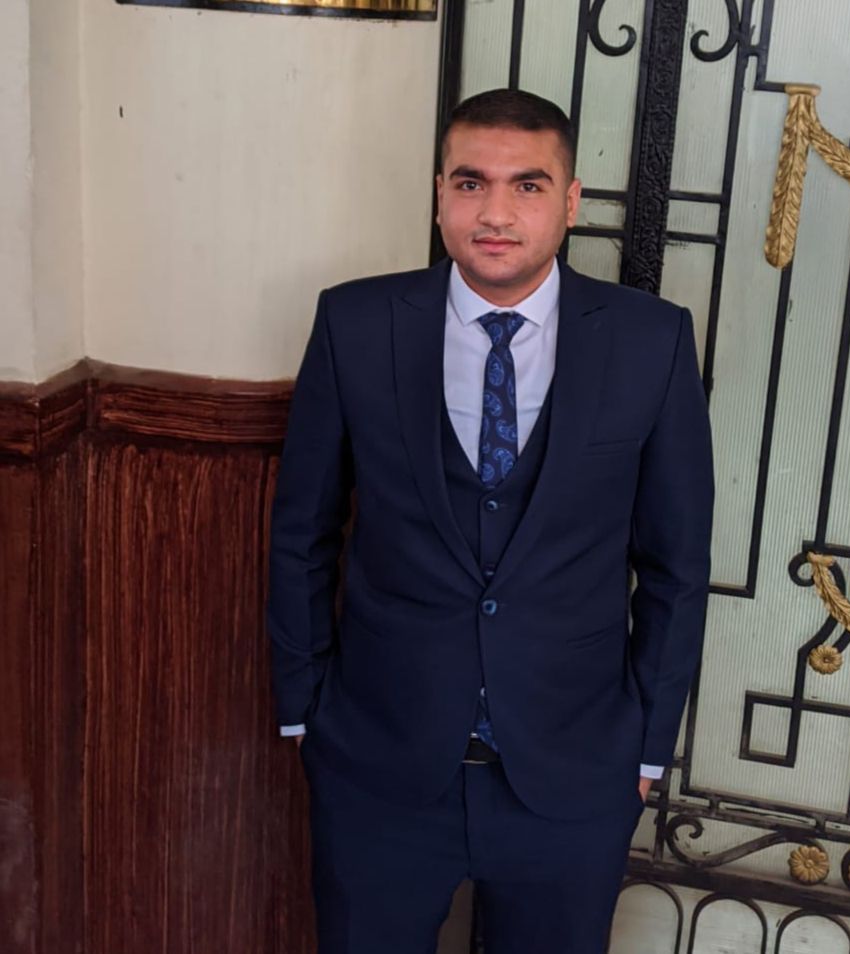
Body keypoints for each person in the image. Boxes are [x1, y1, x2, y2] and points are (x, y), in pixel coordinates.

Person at [267, 88, 714, 954]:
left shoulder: (649, 340)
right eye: (471, 183)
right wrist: (304, 712)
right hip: (376, 766)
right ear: (439, 193)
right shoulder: (355, 322)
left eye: (528, 186)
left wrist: (645, 746)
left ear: (570, 200)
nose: (496, 214)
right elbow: (301, 534)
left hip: (575, 772)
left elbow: (674, 565)